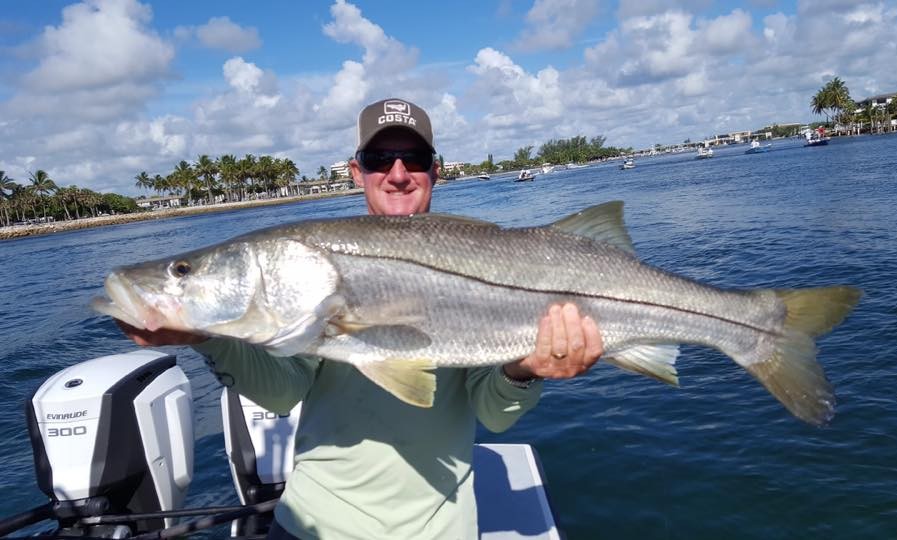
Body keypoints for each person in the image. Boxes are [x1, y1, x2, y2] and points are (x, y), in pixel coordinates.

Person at [117, 98, 604, 539]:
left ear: (436, 170)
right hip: (314, 525)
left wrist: (524, 371)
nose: (397, 174)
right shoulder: (311, 285)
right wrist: (209, 337)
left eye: (413, 159)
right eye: (378, 160)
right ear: (356, 171)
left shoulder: (481, 257)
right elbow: (283, 392)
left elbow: (494, 415)